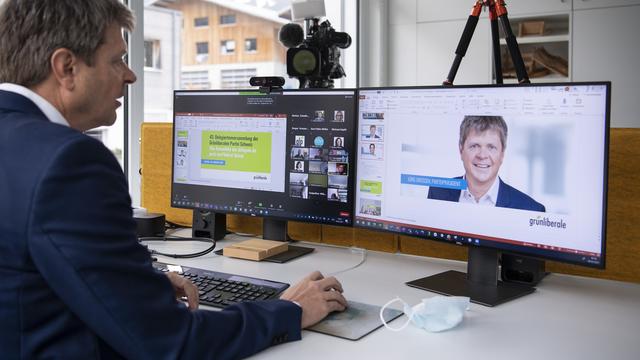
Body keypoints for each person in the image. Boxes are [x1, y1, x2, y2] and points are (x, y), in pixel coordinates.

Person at [0, 1, 347, 359]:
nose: (130, 75)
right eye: (117, 59)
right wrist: (288, 311)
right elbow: (169, 344)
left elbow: (27, 276)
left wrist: (133, 288)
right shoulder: (69, 162)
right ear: (66, 67)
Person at [427, 115, 545, 212]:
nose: (482, 155)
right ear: (461, 150)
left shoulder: (530, 210)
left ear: (502, 154)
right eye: (474, 146)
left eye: (491, 147)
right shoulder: (437, 194)